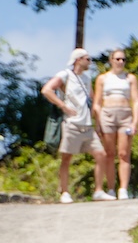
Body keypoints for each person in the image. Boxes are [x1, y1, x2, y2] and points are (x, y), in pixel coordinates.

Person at [41, 47, 112, 203]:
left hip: (87, 125)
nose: (90, 62)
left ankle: (99, 191)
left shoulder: (86, 79)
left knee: (101, 155)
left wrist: (97, 121)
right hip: (71, 124)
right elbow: (47, 90)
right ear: (78, 59)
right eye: (87, 59)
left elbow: (92, 100)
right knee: (66, 158)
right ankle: (65, 192)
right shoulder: (65, 75)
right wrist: (63, 105)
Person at [93, 48, 138, 199]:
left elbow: (136, 100)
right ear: (111, 61)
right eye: (118, 59)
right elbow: (97, 103)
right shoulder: (103, 78)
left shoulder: (130, 78)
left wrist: (135, 122)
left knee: (124, 154)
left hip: (125, 114)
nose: (121, 62)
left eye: (123, 59)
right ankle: (111, 188)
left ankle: (123, 189)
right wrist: (98, 121)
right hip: (107, 114)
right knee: (109, 153)